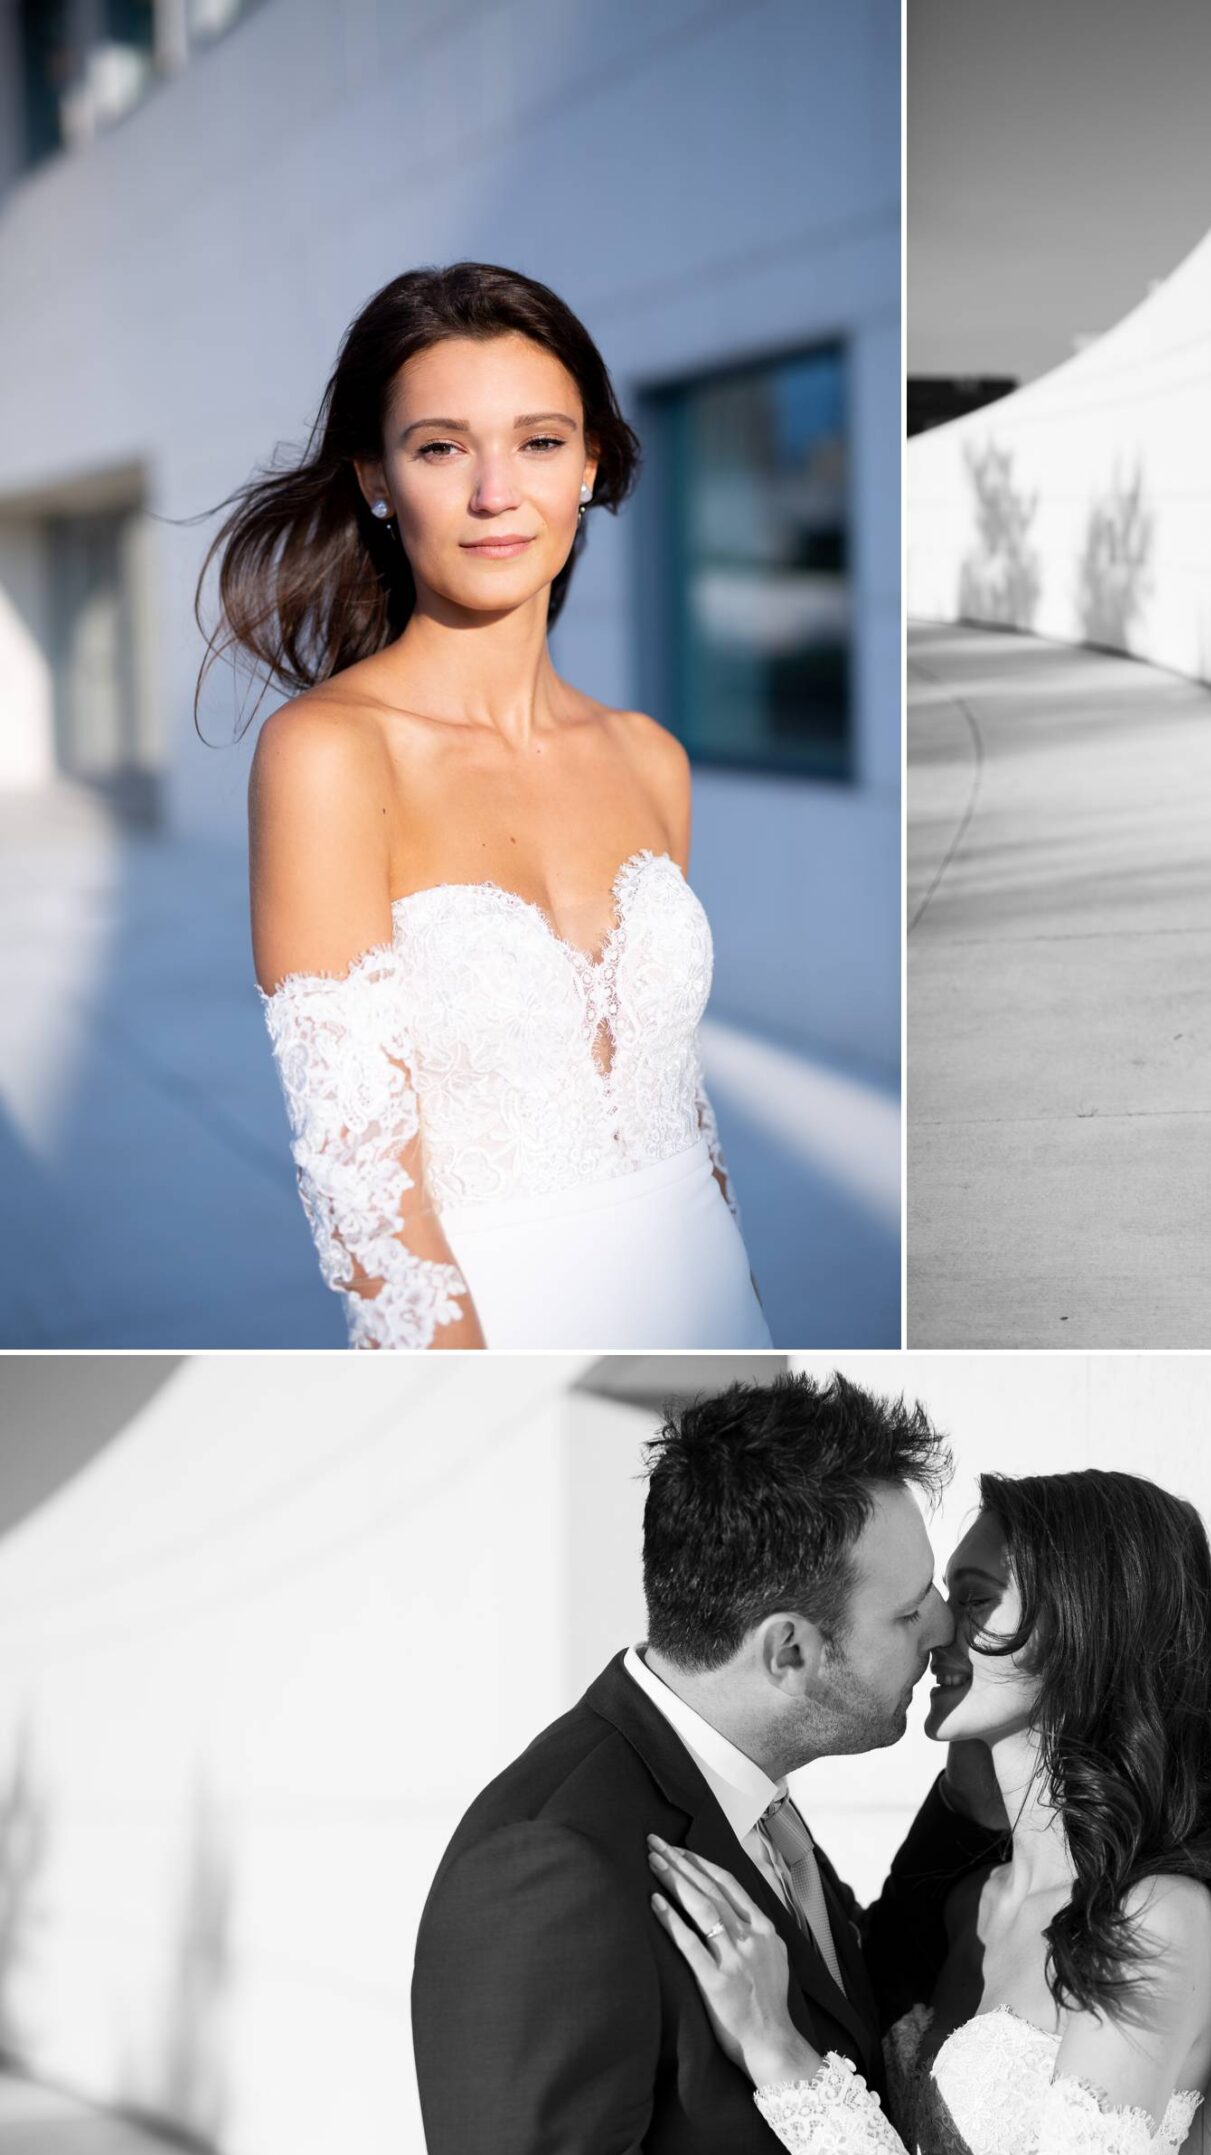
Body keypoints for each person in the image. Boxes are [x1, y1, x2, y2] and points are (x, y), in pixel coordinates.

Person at [364, 1374, 1124, 2155]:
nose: (939, 1626)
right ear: (789, 1652)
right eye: (912, 1608)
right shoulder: (555, 1864)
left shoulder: (732, 1795)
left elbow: (853, 1992)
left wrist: (1006, 1760)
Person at [651, 1467, 1211, 2155]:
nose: (933, 1627)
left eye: (972, 1599)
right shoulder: (968, 1899)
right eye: (935, 1599)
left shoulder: (1153, 1919)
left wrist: (780, 2060)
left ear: (1085, 1628)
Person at [201, 262, 768, 1351]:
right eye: (441, 447)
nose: (495, 492)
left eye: (541, 442)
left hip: (715, 1303)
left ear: (591, 465)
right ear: (376, 478)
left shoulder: (651, 758)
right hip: (495, 1323)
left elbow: (679, 1101)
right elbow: (365, 1188)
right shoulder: (327, 755)